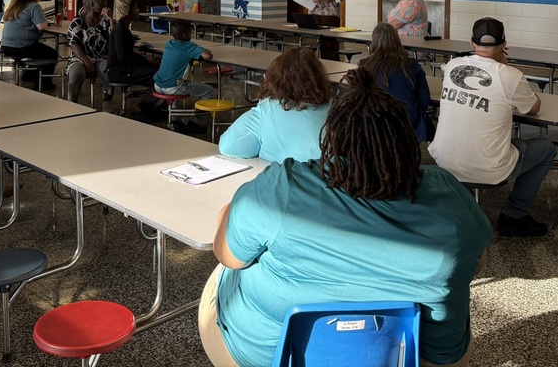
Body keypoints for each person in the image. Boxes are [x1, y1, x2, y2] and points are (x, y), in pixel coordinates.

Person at [200, 67, 494, 367]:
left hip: (266, 356)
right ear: (405, 141)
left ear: (329, 138)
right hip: (423, 357)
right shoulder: (448, 192)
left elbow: (229, 257)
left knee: (224, 273)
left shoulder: (281, 187)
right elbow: (477, 264)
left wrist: (229, 214)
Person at [428, 17, 554, 237]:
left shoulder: (452, 66)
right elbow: (533, 108)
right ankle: (515, 215)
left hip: (443, 160)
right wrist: (505, 66)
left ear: (471, 43)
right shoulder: (511, 76)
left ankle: (462, 201)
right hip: (487, 167)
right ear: (504, 43)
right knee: (546, 148)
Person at [219, 46, 333, 163]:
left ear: (275, 78)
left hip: (280, 178)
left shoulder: (266, 109)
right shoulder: (334, 109)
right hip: (325, 177)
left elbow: (228, 147)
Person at [360, 23, 434, 142]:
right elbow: (424, 100)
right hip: (408, 121)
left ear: (373, 42)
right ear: (397, 40)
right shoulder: (411, 65)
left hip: (375, 120)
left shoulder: (364, 66)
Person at [104, 0, 164, 115]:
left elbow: (127, 53)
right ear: (127, 12)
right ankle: (141, 109)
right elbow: (123, 57)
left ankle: (155, 107)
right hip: (118, 71)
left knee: (159, 73)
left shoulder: (124, 28)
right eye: (135, 8)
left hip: (124, 67)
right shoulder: (120, 30)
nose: (138, 11)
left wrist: (146, 59)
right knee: (160, 78)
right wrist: (146, 61)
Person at [153, 19, 214, 134]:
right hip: (172, 87)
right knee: (208, 91)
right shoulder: (188, 46)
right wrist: (197, 48)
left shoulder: (169, 43)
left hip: (158, 85)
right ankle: (195, 123)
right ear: (186, 35)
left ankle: (175, 121)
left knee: (177, 85)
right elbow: (208, 55)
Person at [0, 0, 57, 91]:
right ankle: (44, 83)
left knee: (37, 50)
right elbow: (42, 26)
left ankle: (29, 75)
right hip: (21, 46)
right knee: (51, 53)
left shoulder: (14, 6)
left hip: (6, 46)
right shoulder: (34, 6)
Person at [66, 0, 112, 103]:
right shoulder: (78, 22)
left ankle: (108, 94)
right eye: (102, 3)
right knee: (75, 74)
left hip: (101, 56)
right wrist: (87, 63)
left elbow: (115, 37)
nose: (105, 5)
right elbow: (74, 45)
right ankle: (71, 103)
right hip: (80, 58)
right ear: (92, 4)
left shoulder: (105, 20)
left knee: (110, 71)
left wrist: (111, 19)